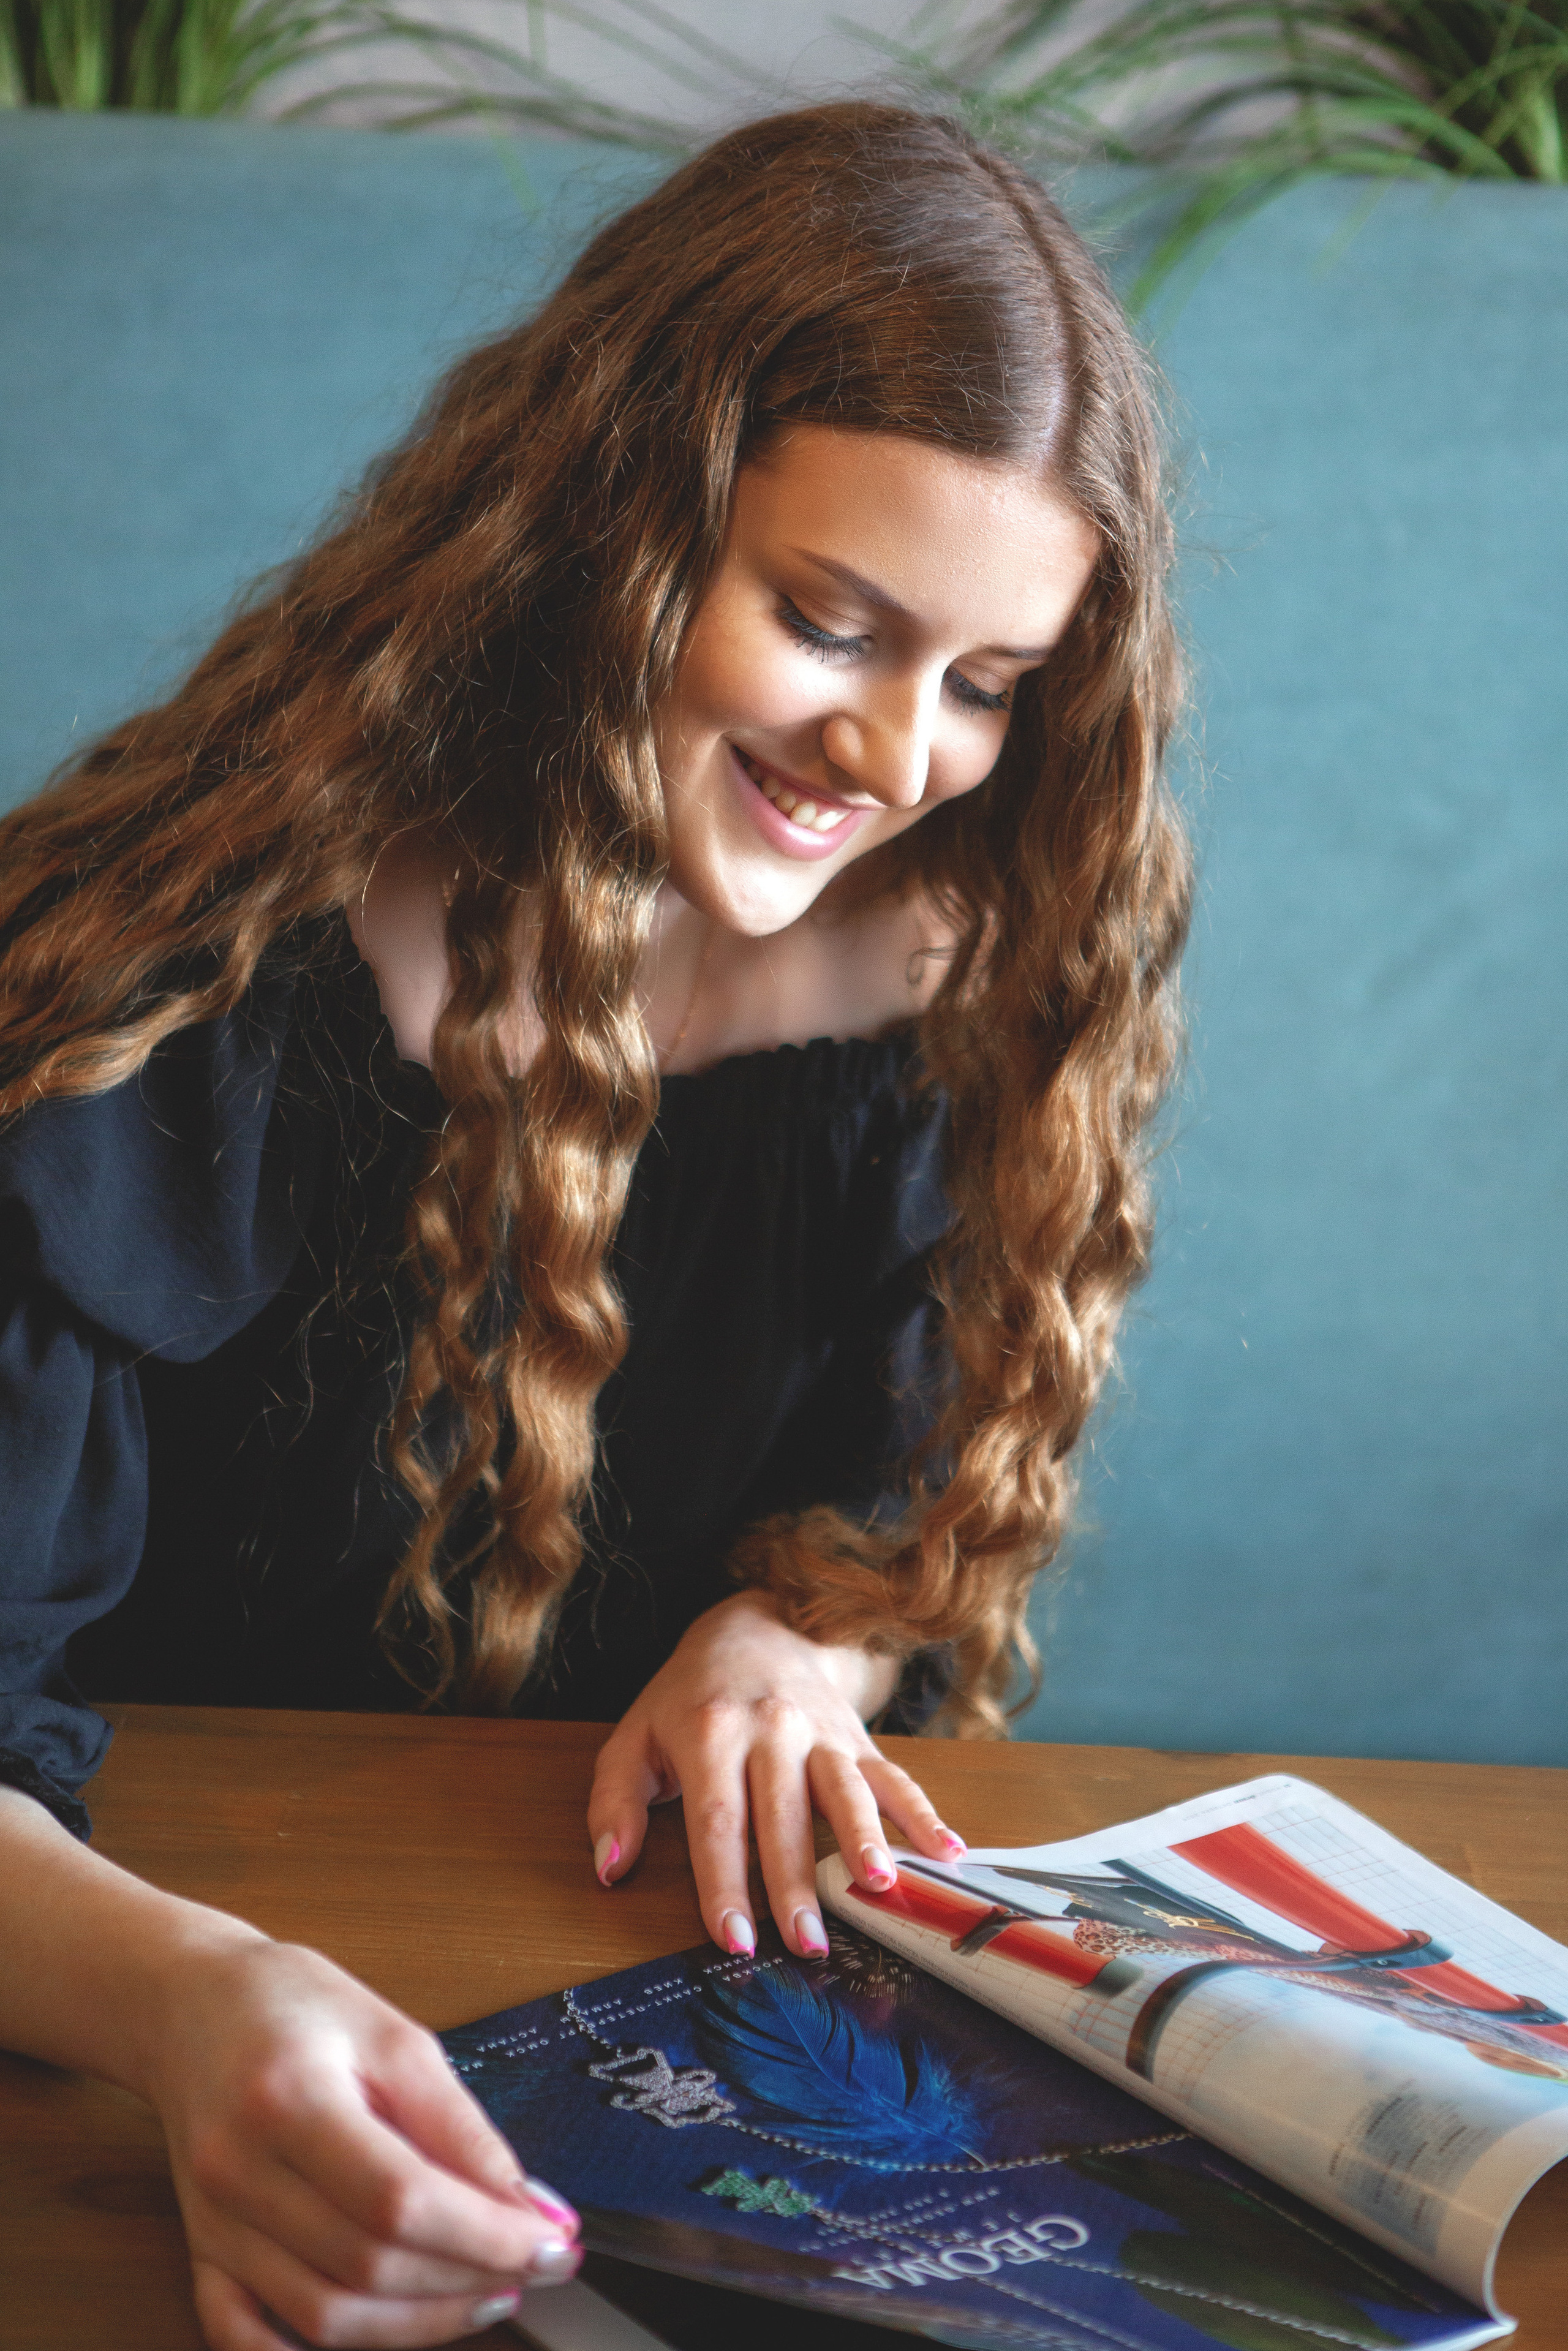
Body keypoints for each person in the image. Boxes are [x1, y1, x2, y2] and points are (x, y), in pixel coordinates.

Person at [0, 100, 1188, 2351]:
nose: (897, 753)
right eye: (829, 621)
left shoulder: (949, 985)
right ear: (609, 528)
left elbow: (902, 1485)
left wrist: (799, 1639)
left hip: (650, 2061)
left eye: (991, 686)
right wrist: (183, 2008)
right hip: (134, 2039)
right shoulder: (157, 1002)